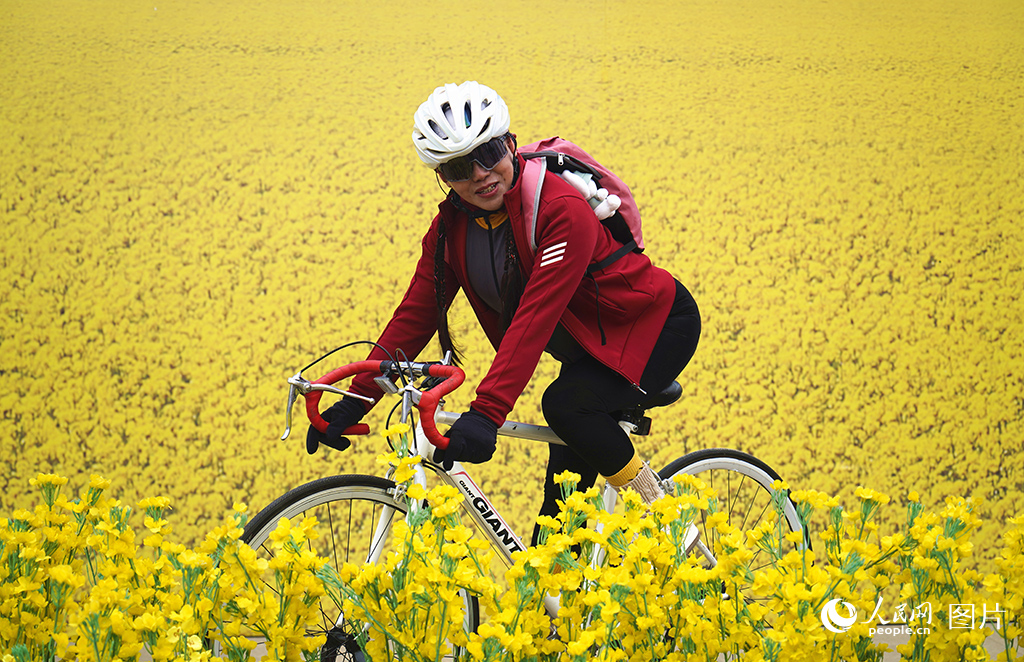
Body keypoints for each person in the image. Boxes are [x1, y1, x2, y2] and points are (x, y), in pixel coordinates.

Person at [307, 81, 701, 544]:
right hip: (591, 349)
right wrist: (358, 398)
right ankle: (558, 607)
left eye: (488, 152)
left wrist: (486, 413)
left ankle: (670, 523)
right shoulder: (450, 230)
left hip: (656, 325)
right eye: (457, 167)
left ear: (510, 144)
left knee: (566, 405)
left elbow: (535, 317)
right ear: (443, 178)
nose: (479, 174)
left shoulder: (561, 209)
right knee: (554, 536)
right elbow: (416, 314)